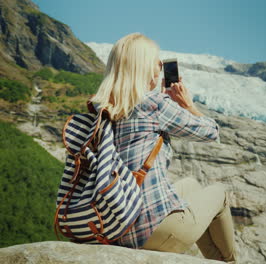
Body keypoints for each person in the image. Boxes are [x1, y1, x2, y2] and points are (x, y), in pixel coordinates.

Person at [90, 32, 237, 263]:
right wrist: (188, 105)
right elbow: (211, 132)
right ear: (145, 67)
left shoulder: (100, 112)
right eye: (157, 61)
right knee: (220, 193)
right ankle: (231, 262)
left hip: (114, 227)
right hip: (152, 231)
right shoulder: (155, 105)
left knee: (191, 185)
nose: (160, 66)